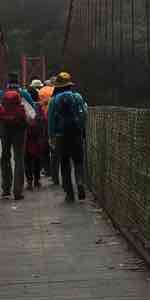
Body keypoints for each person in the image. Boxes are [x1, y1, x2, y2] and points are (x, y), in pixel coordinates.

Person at [0, 72, 36, 200]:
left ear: (8, 82)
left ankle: (6, 190)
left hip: (4, 129)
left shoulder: (1, 94)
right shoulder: (23, 94)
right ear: (18, 82)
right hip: (20, 130)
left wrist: (4, 115)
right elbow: (33, 112)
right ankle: (18, 191)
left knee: (5, 157)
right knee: (19, 158)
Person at [47, 71, 88, 202]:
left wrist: (51, 136)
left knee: (64, 163)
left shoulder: (53, 100)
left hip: (61, 136)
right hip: (76, 134)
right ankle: (80, 182)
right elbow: (84, 114)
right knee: (78, 161)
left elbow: (50, 120)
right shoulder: (77, 97)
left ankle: (69, 193)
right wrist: (82, 129)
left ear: (58, 86)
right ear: (70, 85)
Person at [24, 85, 47, 190]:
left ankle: (29, 181)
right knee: (37, 158)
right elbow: (44, 120)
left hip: (26, 136)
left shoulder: (25, 106)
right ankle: (37, 180)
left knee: (27, 159)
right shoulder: (38, 107)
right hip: (37, 136)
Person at [38, 78, 57, 181]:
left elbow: (39, 105)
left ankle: (47, 170)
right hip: (54, 119)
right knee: (54, 148)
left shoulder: (41, 91)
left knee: (44, 147)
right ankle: (55, 174)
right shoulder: (55, 91)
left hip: (43, 121)